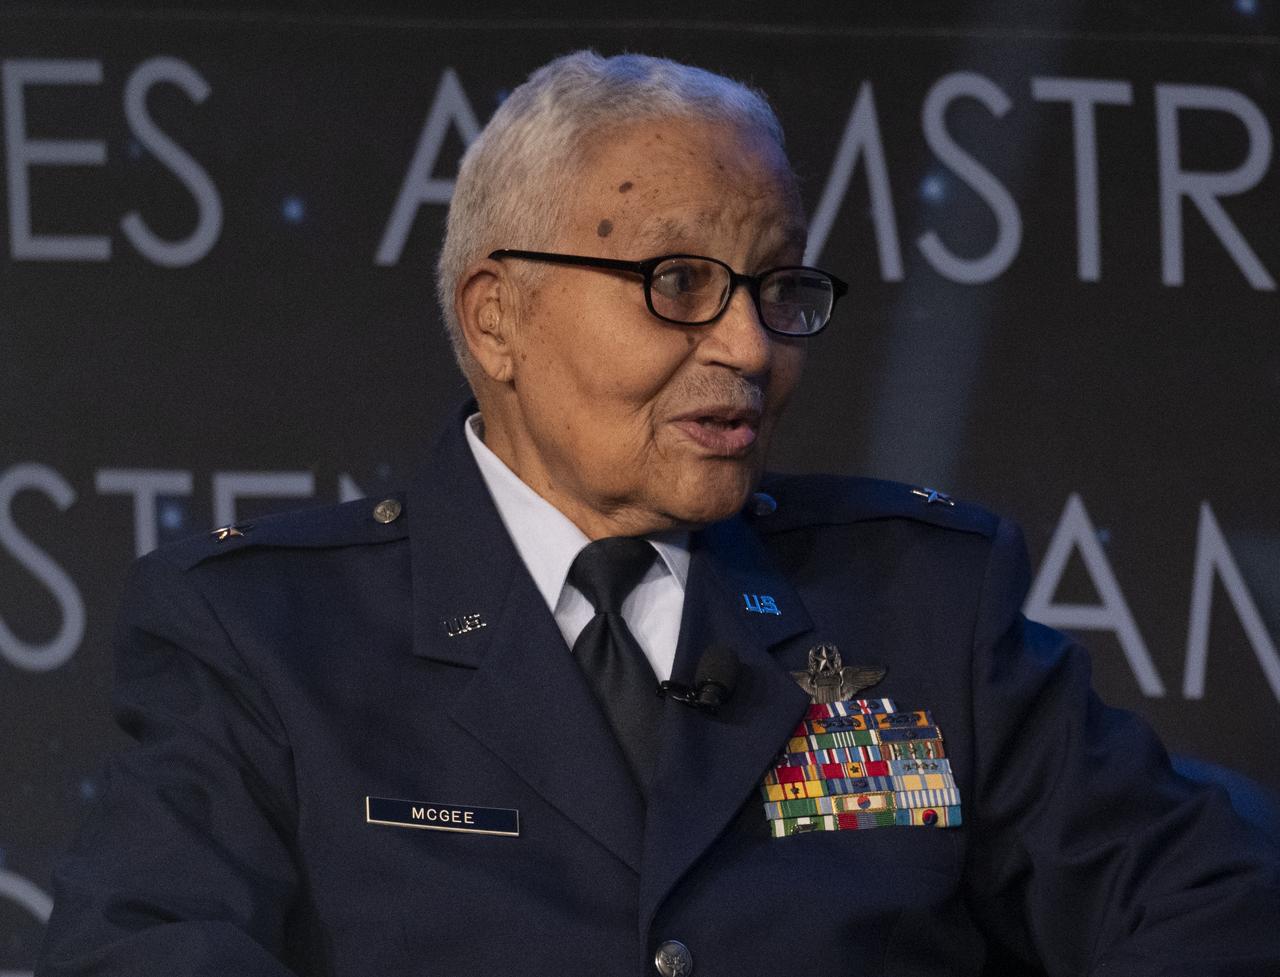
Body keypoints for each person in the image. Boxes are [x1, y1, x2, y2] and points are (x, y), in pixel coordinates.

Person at [38, 50, 1279, 977]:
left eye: (776, 284)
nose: (746, 344)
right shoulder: (267, 633)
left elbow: (1203, 901)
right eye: (677, 283)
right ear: (495, 317)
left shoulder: (920, 601)